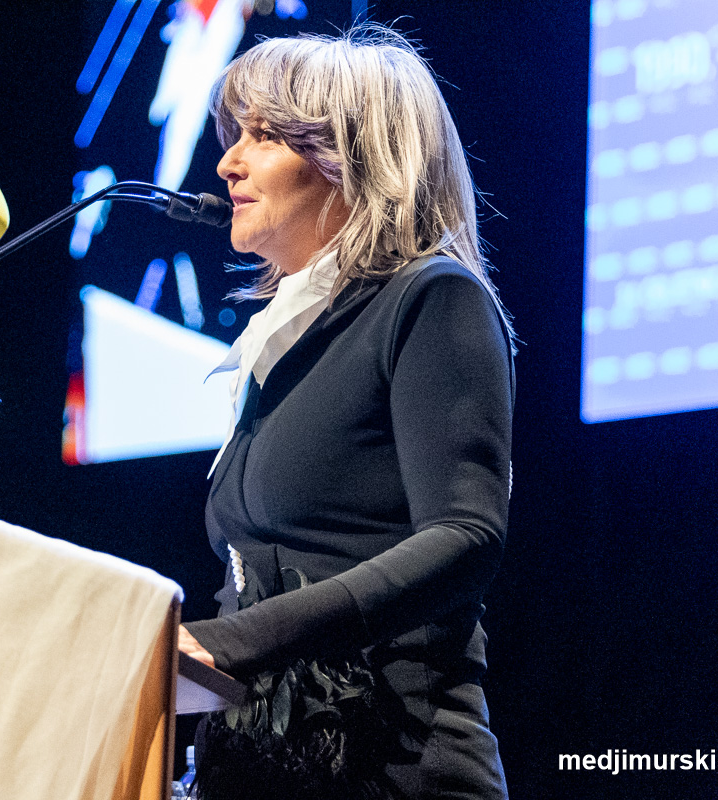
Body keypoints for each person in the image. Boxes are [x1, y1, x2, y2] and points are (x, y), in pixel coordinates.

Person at [176, 27, 515, 800]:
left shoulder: (432, 298)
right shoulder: (277, 343)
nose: (228, 163)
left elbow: (465, 536)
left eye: (265, 136)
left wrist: (231, 642)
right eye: (236, 136)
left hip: (393, 768)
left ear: (353, 158)